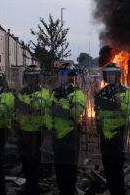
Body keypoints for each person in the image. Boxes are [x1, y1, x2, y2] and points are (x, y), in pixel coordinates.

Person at [94, 63, 130, 195]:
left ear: (118, 75)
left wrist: (121, 104)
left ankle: (119, 192)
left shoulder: (127, 92)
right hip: (105, 135)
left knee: (117, 167)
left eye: (113, 74)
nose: (111, 77)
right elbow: (98, 113)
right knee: (107, 167)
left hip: (119, 134)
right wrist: (97, 120)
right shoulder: (102, 92)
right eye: (108, 74)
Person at [15, 65, 52, 195]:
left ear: (38, 78)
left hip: (37, 132)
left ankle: (34, 188)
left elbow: (36, 107)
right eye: (28, 77)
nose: (31, 79)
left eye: (33, 77)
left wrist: (27, 108)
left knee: (35, 161)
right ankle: (28, 187)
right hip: (23, 131)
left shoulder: (44, 93)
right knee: (25, 161)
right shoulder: (21, 93)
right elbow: (18, 108)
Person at [52, 62, 85, 195]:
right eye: (60, 74)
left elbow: (76, 112)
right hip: (56, 134)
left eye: (64, 74)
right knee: (59, 167)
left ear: (70, 76)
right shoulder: (54, 92)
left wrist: (60, 108)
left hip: (70, 134)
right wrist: (50, 126)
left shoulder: (77, 93)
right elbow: (48, 112)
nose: (61, 76)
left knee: (69, 168)